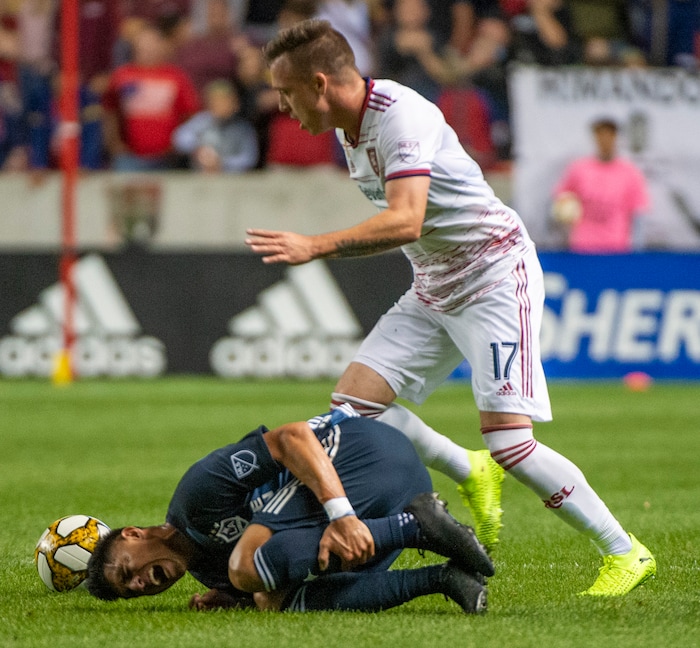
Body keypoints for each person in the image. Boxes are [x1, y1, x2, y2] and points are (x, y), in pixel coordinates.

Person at [245, 19, 657, 596]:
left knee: (511, 443)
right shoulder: (349, 130)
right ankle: (469, 468)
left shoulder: (401, 116)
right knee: (352, 410)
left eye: (286, 92)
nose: (282, 106)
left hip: (493, 276)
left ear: (320, 83)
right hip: (434, 284)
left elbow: (407, 219)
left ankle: (625, 551)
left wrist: (318, 245)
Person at [86, 405, 493, 614]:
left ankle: (414, 528)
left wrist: (341, 516)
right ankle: (444, 578)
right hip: (394, 498)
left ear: (134, 534)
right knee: (270, 599)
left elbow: (293, 438)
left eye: (126, 571)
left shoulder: (197, 496)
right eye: (130, 590)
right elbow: (276, 578)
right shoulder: (207, 572)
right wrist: (237, 600)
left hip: (365, 453)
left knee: (246, 567)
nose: (138, 585)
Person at [102, 23, 200, 171]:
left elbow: (190, 114)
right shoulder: (122, 76)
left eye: (152, 43)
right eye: (143, 43)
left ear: (160, 45)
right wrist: (114, 143)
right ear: (135, 45)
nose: (147, 48)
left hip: (168, 158)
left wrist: (179, 144)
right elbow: (110, 111)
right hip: (129, 157)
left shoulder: (176, 77)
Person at [552, 117, 650, 253]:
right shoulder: (579, 169)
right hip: (583, 246)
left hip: (617, 247)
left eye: (609, 135)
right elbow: (561, 198)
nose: (605, 140)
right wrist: (565, 210)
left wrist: (636, 248)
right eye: (600, 135)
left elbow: (637, 214)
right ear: (595, 138)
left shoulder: (629, 172)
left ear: (615, 138)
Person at [172, 79, 259, 172]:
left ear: (235, 103)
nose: (222, 105)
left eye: (225, 101)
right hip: (200, 176)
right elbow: (179, 140)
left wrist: (222, 162)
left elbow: (249, 159)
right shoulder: (201, 121)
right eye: (217, 101)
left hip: (231, 177)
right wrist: (200, 150)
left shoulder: (243, 128)